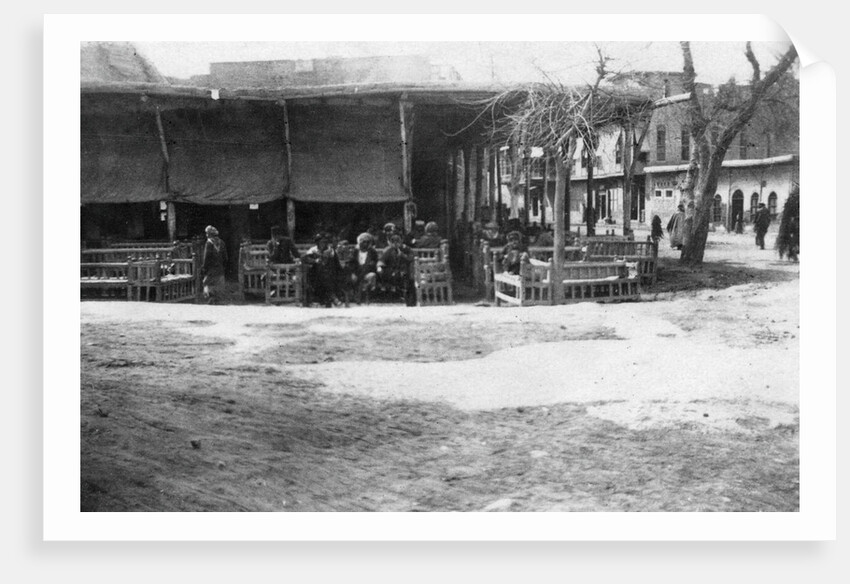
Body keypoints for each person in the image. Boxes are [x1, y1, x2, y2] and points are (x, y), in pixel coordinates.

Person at [378, 232, 416, 306]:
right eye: (393, 242)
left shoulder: (406, 249)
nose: (396, 244)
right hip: (391, 270)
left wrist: (402, 255)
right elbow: (382, 260)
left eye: (397, 242)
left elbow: (411, 258)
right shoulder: (388, 250)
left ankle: (408, 300)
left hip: (405, 270)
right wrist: (379, 267)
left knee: (407, 279)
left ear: (400, 242)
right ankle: (389, 296)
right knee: (384, 275)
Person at [303, 232, 339, 307]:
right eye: (321, 242)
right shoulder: (313, 250)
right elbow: (304, 258)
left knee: (326, 274)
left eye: (325, 242)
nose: (323, 244)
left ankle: (329, 298)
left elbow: (336, 264)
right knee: (320, 270)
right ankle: (332, 297)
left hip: (329, 274)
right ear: (317, 243)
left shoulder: (331, 250)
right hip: (315, 274)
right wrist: (315, 261)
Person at [350, 232, 379, 304]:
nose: (365, 244)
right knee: (353, 277)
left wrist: (370, 265)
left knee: (372, 276)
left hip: (367, 272)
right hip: (356, 272)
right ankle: (357, 297)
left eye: (367, 242)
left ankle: (363, 297)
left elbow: (374, 263)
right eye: (363, 242)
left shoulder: (372, 252)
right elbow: (351, 263)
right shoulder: (355, 251)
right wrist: (353, 272)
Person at [201, 225, 227, 304]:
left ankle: (211, 302)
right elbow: (225, 257)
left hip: (211, 270)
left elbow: (206, 257)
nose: (206, 235)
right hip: (220, 270)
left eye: (207, 233)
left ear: (209, 234)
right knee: (218, 289)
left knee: (208, 286)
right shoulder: (221, 242)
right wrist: (223, 267)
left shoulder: (209, 243)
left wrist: (204, 268)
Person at [776, 189, 800, 262]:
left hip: (794, 223)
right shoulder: (794, 201)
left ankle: (792, 254)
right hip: (793, 224)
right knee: (793, 240)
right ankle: (792, 254)